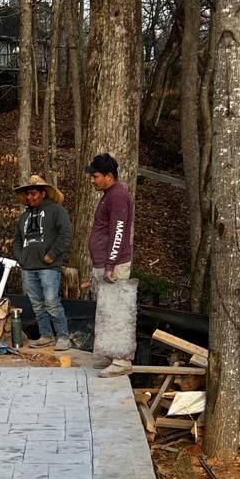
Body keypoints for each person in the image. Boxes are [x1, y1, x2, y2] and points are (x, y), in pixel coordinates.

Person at [81, 153, 135, 377]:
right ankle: (112, 355)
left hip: (114, 265)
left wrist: (110, 265)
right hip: (104, 262)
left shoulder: (118, 196)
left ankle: (121, 361)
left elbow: (118, 232)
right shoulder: (109, 195)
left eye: (95, 176)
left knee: (116, 311)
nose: (92, 180)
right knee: (107, 310)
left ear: (109, 176)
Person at [12, 174, 72, 349]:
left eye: (33, 194)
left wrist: (52, 254)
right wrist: (21, 258)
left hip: (49, 267)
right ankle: (46, 336)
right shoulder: (24, 217)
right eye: (28, 194)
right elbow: (17, 240)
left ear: (43, 193)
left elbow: (66, 234)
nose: (29, 197)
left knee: (52, 303)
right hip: (28, 267)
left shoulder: (56, 210)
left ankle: (63, 337)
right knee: (37, 305)